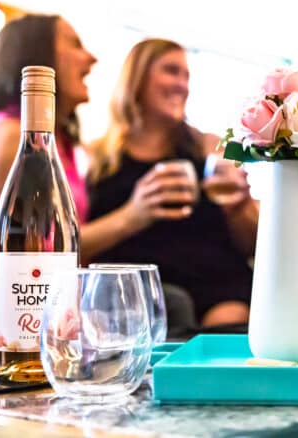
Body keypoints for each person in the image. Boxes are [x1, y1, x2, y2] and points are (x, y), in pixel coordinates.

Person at [0, 15, 97, 347]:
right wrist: (134, 216)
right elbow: (37, 243)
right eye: (75, 43)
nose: (92, 58)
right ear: (37, 57)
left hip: (29, 280)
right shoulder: (10, 136)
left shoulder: (61, 147)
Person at [87, 39, 257, 329]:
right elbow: (71, 248)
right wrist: (134, 214)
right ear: (137, 78)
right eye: (171, 71)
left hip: (216, 285)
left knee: (225, 328)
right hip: (134, 290)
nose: (182, 85)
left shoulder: (210, 147)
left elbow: (253, 243)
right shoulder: (97, 158)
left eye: (186, 75)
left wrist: (238, 206)